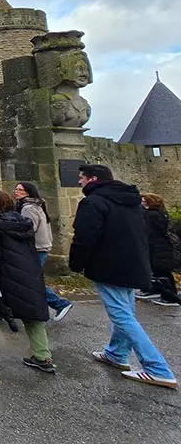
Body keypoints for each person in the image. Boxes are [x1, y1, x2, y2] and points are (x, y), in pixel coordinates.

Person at [70, 164, 177, 389]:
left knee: (121, 316)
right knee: (125, 311)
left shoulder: (93, 202)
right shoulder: (131, 202)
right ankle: (116, 353)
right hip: (133, 263)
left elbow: (85, 236)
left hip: (110, 265)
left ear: (93, 179)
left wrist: (76, 264)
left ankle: (157, 368)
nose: (79, 182)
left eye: (81, 178)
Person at [0, 190, 56, 374]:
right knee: (32, 314)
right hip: (26, 273)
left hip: (3, 273)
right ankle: (42, 355)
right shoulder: (23, 223)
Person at [14, 182, 73, 320]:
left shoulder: (28, 208)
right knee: (29, 280)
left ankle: (59, 303)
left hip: (36, 249)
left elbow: (28, 229)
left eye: (20, 190)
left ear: (28, 192)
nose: (16, 191)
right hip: (40, 247)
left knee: (31, 281)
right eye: (16, 189)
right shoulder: (35, 205)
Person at [140, 193, 180, 307]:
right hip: (162, 246)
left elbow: (147, 231)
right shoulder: (161, 213)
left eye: (144, 201)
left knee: (162, 272)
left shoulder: (151, 215)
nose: (142, 203)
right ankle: (159, 291)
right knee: (160, 271)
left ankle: (170, 296)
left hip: (157, 247)